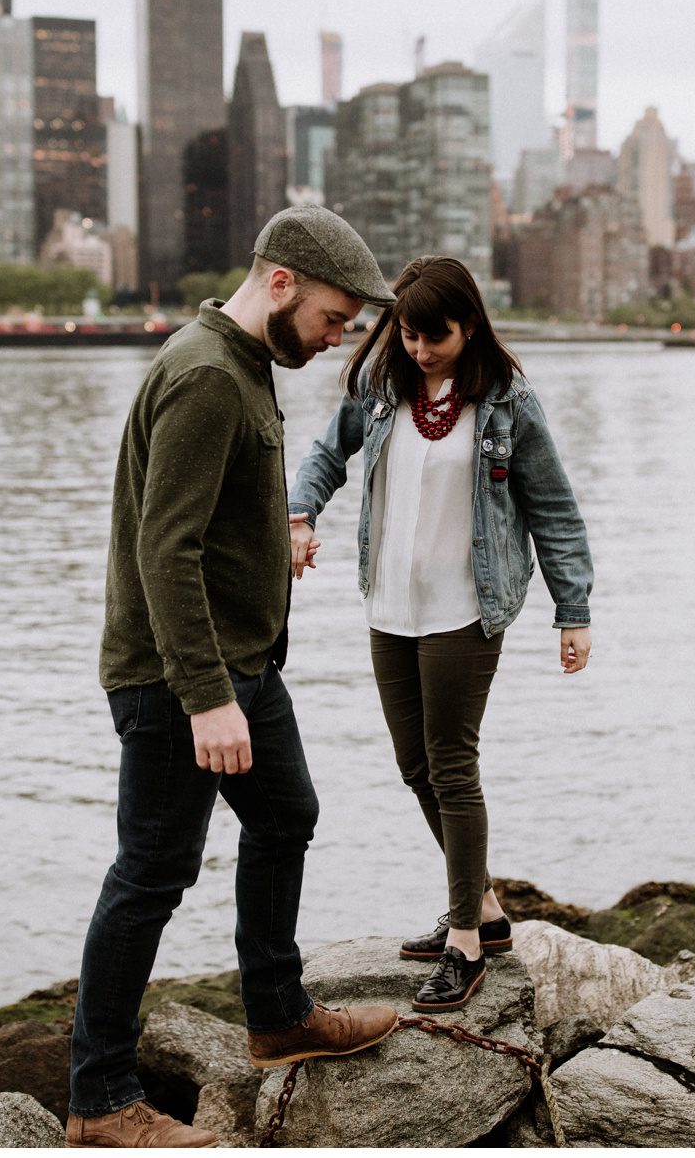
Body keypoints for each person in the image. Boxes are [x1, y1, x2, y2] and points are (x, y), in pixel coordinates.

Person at [68, 205, 403, 1148]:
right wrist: (208, 697)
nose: (341, 338)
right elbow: (163, 548)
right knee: (151, 876)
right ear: (283, 282)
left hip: (244, 667)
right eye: (337, 318)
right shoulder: (208, 375)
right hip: (185, 682)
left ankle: (277, 1015)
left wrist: (278, 534)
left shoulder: (247, 365)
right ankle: (99, 1102)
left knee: (287, 816)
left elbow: (209, 521)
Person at [287, 256, 594, 1015]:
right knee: (414, 764)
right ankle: (484, 912)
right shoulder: (381, 387)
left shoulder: (507, 403)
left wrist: (573, 610)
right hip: (389, 604)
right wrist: (301, 511)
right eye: (410, 334)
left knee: (452, 765)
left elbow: (553, 509)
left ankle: (464, 941)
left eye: (437, 336)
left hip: (466, 608)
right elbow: (329, 453)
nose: (421, 350)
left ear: (470, 325)